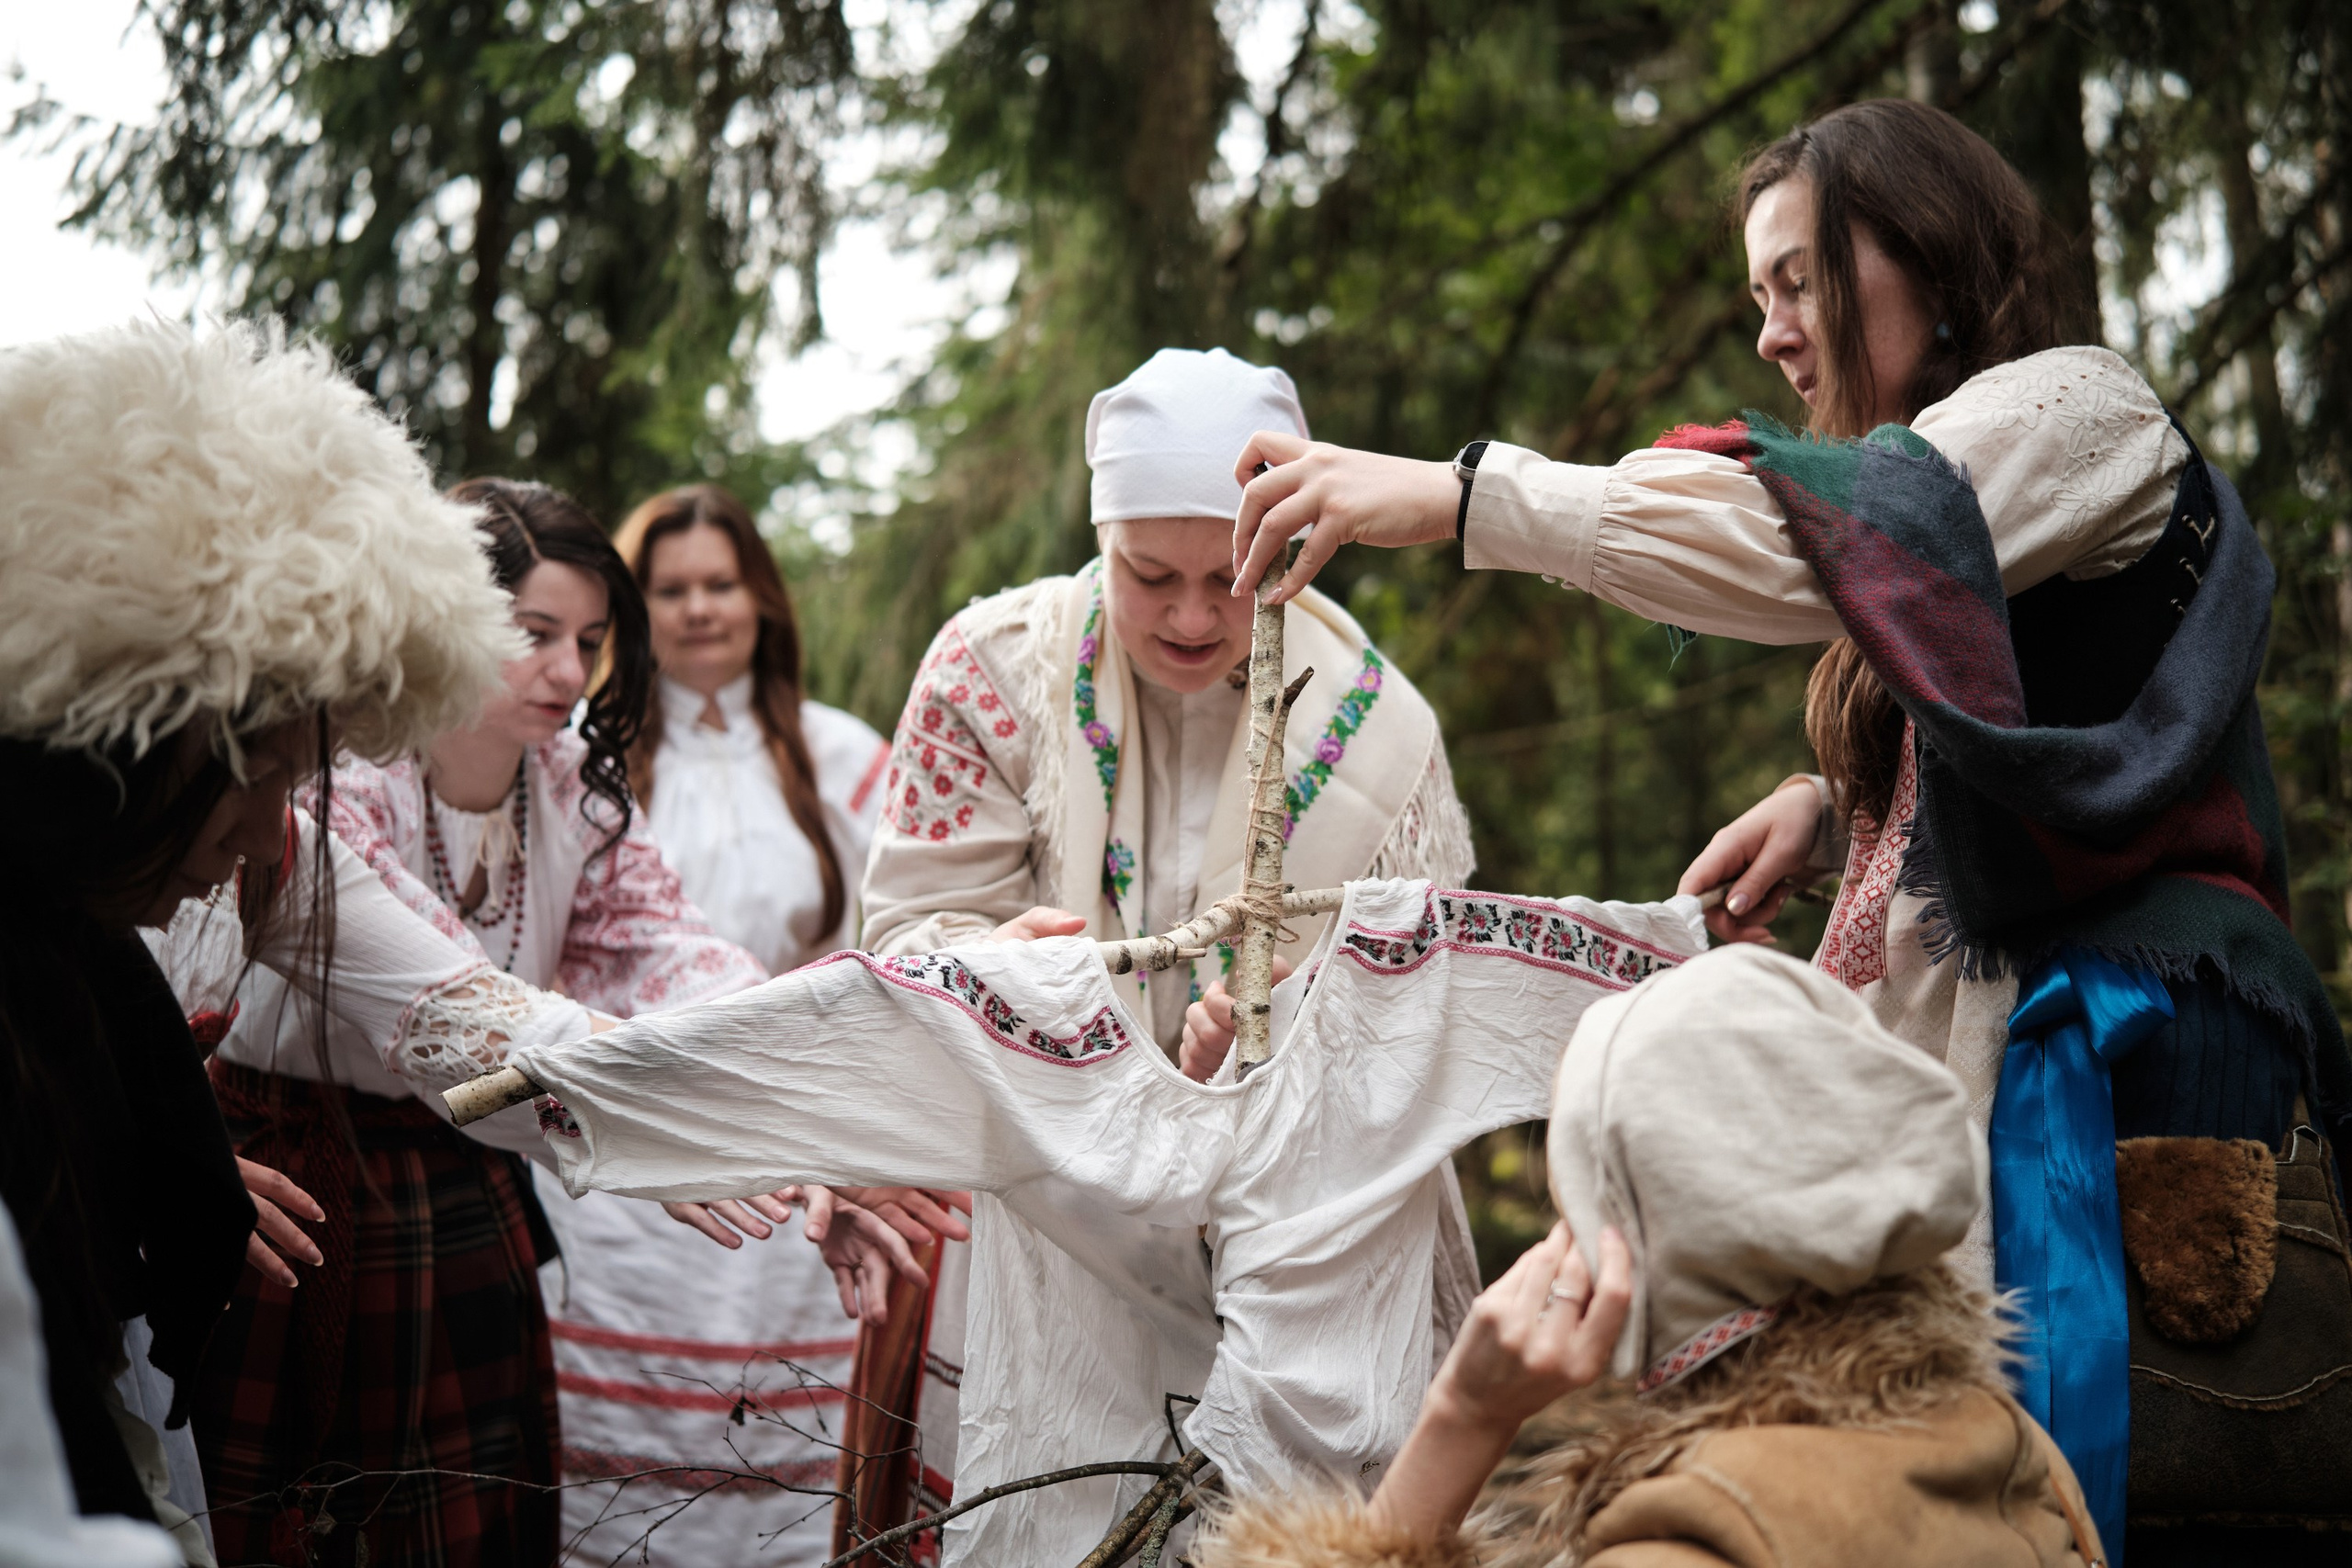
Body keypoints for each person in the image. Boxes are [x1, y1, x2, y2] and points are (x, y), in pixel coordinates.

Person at [1227, 97, 2350, 1558]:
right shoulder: (1946, 475)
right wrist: (1838, 806)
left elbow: (1818, 538)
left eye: (1799, 279)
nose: (1771, 332)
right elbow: (2022, 695)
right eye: (1758, 295)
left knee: (2132, 1481)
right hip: (1991, 1055)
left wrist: (1459, 495)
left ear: (1929, 257)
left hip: (2118, 1061)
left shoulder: (2085, 407)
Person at [197, 479, 927, 1567]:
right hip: (302, 1183)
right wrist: (666, 1131)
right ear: (444, 617)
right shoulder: (343, 778)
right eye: (530, 633)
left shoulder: (570, 782)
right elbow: (455, 1012)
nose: (565, 671)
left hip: (466, 1176)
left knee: (482, 1526)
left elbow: (679, 961)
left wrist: (818, 1121)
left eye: (587, 639)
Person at [849, 346, 1480, 1546]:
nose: (1194, 615)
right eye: (1150, 574)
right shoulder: (989, 669)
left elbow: (1419, 1006)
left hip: (1285, 1260)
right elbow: (907, 940)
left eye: (1237, 573)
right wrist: (996, 968)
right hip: (1030, 1231)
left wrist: (1294, 1025)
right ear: (1100, 535)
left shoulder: (1380, 729)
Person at [0, 320, 517, 1562]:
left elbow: (475, 999)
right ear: (132, 746)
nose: (258, 841)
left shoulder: (76, 974)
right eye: (258, 774)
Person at [1188, 943, 2104, 1568]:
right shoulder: (2008, 1445)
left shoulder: (1684, 1540)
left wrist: (1459, 1422)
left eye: (1577, 1196)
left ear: (1625, 1241)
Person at [511, 481, 914, 1568]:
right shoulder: (578, 760)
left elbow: (904, 938)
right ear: (635, 612)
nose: (697, 609)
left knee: (782, 1463)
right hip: (631, 1156)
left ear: (763, 602)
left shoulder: (844, 758)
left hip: (795, 1144)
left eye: (720, 585)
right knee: (620, 1474)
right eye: (669, 588)